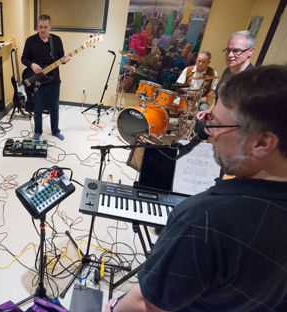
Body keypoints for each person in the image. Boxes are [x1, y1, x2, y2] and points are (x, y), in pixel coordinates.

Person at [107, 64, 287, 311]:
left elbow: (144, 304)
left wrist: (113, 306)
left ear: (262, 142)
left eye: (217, 125)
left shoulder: (205, 219)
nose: (209, 134)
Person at [21, 14, 71, 141]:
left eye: (45, 27)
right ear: (37, 26)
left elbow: (61, 59)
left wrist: (66, 60)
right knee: (38, 109)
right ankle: (38, 132)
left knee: (54, 108)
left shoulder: (57, 40)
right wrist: (32, 65)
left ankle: (55, 131)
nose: (43, 30)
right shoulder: (30, 41)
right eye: (40, 27)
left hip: (54, 80)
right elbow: (23, 58)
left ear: (50, 27)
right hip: (38, 82)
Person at [197, 30, 255, 121]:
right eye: (228, 50)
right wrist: (209, 111)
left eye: (236, 51)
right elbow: (220, 99)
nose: (230, 55)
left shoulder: (253, 80)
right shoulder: (228, 70)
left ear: (251, 51)